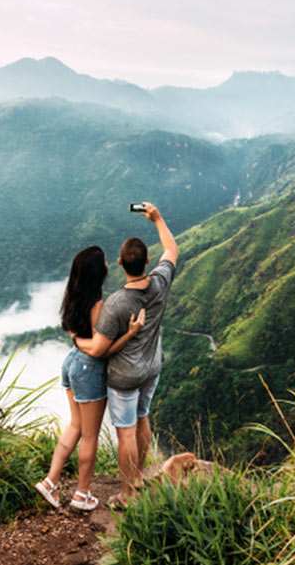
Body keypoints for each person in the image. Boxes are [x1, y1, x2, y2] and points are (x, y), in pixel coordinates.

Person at [76, 202, 178, 505]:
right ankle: (139, 477)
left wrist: (77, 340)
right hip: (152, 367)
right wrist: (158, 219)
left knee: (126, 432)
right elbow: (171, 249)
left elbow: (97, 348)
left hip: (125, 376)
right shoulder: (161, 282)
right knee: (143, 419)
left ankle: (127, 493)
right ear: (148, 260)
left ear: (120, 262)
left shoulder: (117, 303)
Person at [35, 246, 144, 512]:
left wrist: (76, 340)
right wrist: (130, 333)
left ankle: (51, 481)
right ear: (99, 271)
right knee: (90, 436)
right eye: (106, 261)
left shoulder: (72, 297)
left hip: (71, 362)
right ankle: (81, 494)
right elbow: (100, 348)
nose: (109, 263)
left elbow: (76, 335)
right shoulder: (97, 305)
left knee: (75, 426)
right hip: (90, 369)